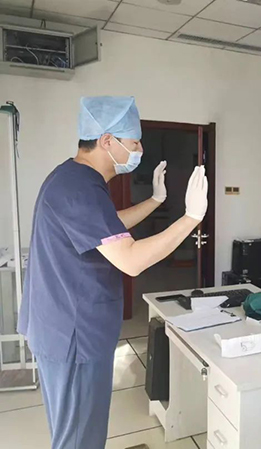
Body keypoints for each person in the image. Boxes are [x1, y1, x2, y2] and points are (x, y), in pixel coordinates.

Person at [17, 96, 209, 449]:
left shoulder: (73, 178)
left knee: (76, 431)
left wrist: (155, 201)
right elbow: (131, 259)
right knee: (79, 439)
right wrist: (191, 218)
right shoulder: (78, 188)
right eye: (134, 143)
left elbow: (106, 228)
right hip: (73, 335)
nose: (140, 150)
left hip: (61, 326)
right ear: (107, 141)